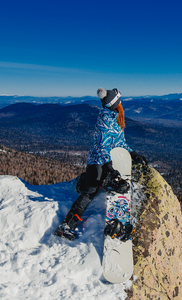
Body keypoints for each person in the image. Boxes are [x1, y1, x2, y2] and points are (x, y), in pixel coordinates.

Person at [54, 87, 147, 240]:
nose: (121, 103)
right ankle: (66, 225)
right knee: (90, 193)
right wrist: (109, 168)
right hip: (98, 162)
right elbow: (102, 147)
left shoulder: (115, 118)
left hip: (106, 162)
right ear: (115, 103)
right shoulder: (106, 121)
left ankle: (117, 223)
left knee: (113, 186)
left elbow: (120, 143)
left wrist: (134, 155)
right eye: (119, 101)